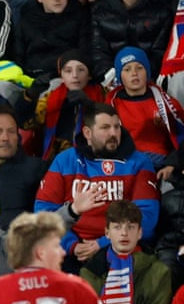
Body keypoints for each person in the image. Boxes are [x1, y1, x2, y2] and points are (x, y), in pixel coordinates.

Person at [35, 103, 160, 265]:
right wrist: (72, 245)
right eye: (105, 128)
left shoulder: (140, 162)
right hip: (70, 250)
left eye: (117, 127)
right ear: (87, 133)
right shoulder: (65, 161)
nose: (113, 133)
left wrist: (102, 243)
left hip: (122, 250)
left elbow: (147, 220)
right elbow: (43, 214)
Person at [79, 200, 172, 304]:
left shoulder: (159, 272)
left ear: (140, 232)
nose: (124, 233)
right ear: (107, 233)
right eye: (117, 227)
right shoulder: (89, 272)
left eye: (130, 227)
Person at [87, 0, 172, 83]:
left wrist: (143, 79)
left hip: (150, 81)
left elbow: (160, 52)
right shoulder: (99, 11)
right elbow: (98, 52)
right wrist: (113, 78)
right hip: (112, 82)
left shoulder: (162, 11)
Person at [16, 49, 105, 163]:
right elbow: (24, 124)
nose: (75, 75)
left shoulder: (103, 94)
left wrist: (90, 106)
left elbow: (111, 127)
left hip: (93, 161)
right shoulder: (51, 98)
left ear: (89, 75)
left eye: (81, 70)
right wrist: (30, 95)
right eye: (68, 71)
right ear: (61, 76)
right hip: (56, 162)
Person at [105, 46, 184, 175]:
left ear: (147, 72)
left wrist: (172, 164)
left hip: (163, 165)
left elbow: (182, 135)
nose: (134, 73)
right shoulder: (111, 104)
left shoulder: (165, 101)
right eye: (127, 69)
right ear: (120, 76)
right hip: (126, 165)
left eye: (139, 68)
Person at [13, 0, 87, 82]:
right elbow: (18, 56)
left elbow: (84, 54)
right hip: (30, 79)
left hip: (64, 80)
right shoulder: (27, 19)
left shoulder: (79, 17)